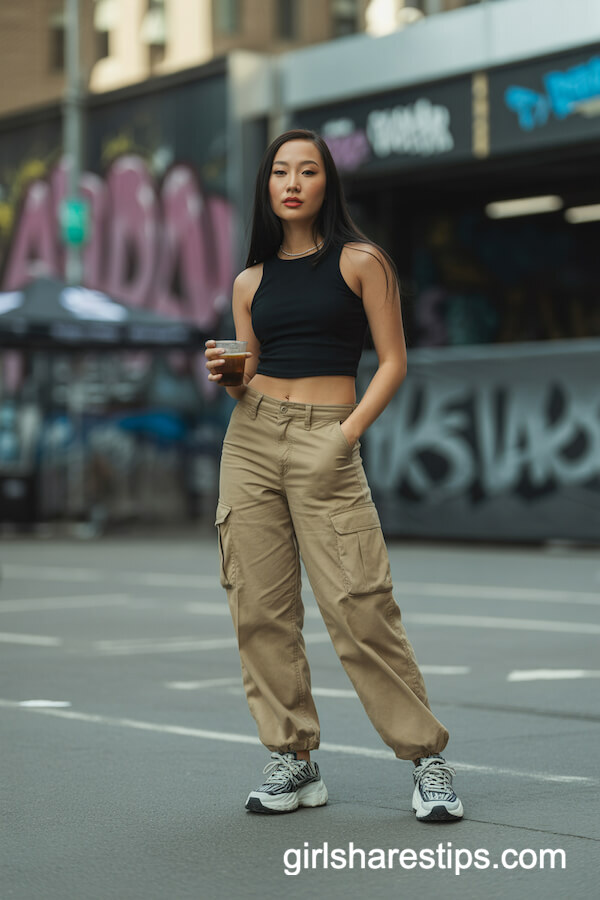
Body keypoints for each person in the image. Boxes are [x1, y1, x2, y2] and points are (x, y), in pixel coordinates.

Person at [205, 128, 464, 823]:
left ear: (327, 184)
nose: (293, 182)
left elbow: (393, 362)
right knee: (259, 607)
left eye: (308, 171)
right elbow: (248, 372)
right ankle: (294, 759)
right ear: (267, 187)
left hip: (330, 437)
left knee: (358, 604)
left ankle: (426, 761)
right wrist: (230, 375)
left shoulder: (361, 260)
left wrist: (345, 438)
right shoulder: (249, 282)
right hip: (252, 439)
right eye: (281, 172)